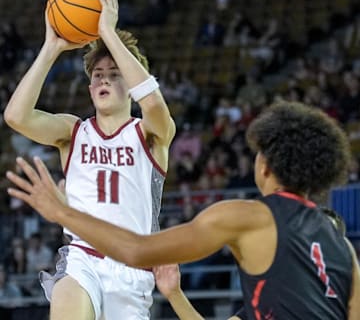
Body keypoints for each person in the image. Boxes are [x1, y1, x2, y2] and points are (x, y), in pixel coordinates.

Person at [7, 101, 360, 319]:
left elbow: (136, 250)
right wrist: (174, 294)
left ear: (264, 166)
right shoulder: (344, 251)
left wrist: (61, 212)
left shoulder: (247, 215)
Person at [4, 0, 175, 320]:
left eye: (115, 75)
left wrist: (108, 33)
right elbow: (15, 116)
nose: (104, 80)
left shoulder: (150, 133)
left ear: (131, 86)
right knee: (69, 291)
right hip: (83, 257)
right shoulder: (73, 132)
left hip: (131, 265)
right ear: (89, 87)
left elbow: (153, 102)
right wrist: (51, 48)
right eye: (98, 75)